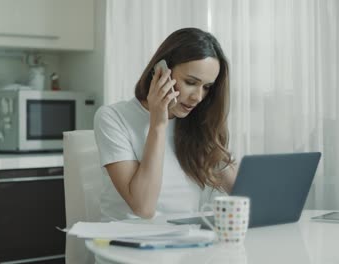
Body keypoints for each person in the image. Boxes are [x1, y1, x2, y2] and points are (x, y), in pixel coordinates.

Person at [94, 27, 236, 221]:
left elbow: (243, 196)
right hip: (127, 244)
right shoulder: (113, 117)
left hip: (187, 243)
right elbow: (144, 208)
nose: (198, 97)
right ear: (160, 72)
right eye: (190, 82)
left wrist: (213, 144)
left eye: (207, 87)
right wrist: (158, 124)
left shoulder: (197, 124)